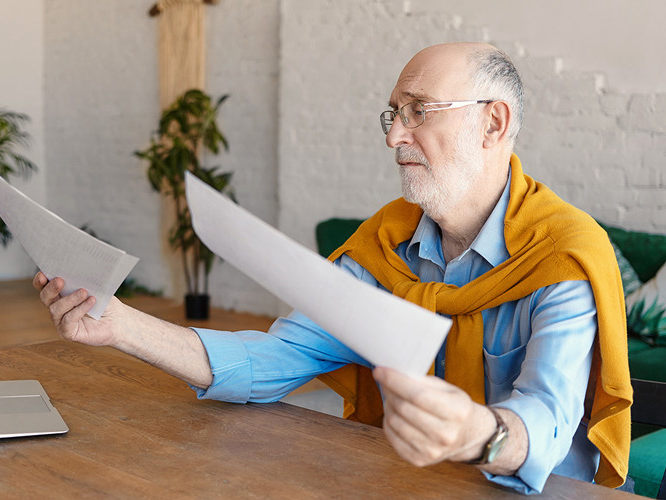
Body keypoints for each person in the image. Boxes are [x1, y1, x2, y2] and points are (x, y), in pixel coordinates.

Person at [34, 42, 632, 494]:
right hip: (408, 483)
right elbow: (273, 361)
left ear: (493, 124)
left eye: (420, 111)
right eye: (393, 113)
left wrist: (480, 434)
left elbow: (549, 421)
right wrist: (119, 325)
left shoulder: (564, 254)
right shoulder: (384, 246)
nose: (395, 134)